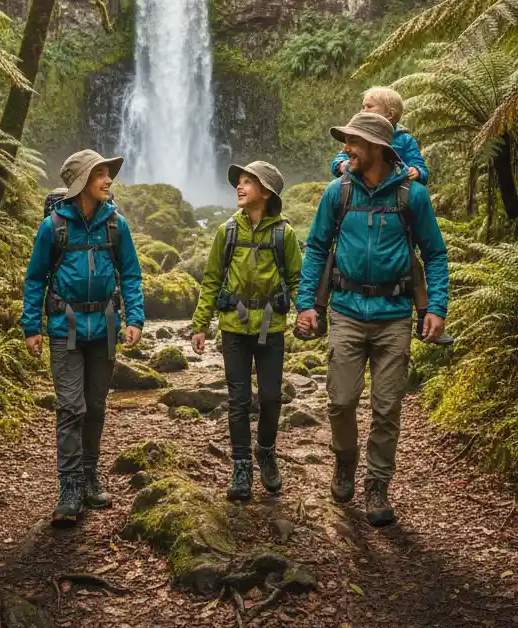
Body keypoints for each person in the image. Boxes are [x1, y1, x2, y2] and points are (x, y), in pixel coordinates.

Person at [297, 112, 448, 527]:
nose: (346, 149)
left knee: (386, 407)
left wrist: (436, 308)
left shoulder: (411, 197)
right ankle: (345, 461)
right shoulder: (337, 192)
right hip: (346, 310)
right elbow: (314, 248)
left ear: (378, 148)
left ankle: (377, 485)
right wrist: (307, 304)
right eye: (346, 141)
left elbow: (434, 253)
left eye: (354, 143)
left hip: (394, 315)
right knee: (341, 401)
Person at [22, 150, 144, 526]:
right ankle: (69, 486)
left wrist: (134, 318)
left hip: (105, 327)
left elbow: (131, 274)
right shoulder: (53, 227)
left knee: (95, 406)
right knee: (71, 407)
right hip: (65, 328)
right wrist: (32, 327)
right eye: (101, 174)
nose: (109, 180)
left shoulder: (115, 224)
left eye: (109, 174)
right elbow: (35, 279)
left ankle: (90, 475)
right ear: (81, 182)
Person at [191, 161, 303, 502]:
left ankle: (265, 450)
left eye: (247, 182)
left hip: (271, 327)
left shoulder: (284, 234)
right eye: (238, 182)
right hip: (234, 328)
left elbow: (298, 279)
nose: (239, 187)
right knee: (238, 401)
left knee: (270, 397)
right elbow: (211, 279)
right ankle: (241, 466)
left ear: (266, 192)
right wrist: (200, 324)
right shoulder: (227, 232)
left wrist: (306, 313)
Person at [331, 86, 428, 184]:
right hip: (360, 188)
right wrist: (343, 165)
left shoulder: (405, 140)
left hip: (393, 190)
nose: (363, 111)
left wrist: (417, 172)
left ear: (390, 114)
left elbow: (421, 169)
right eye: (363, 107)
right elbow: (338, 162)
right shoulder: (358, 136)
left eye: (369, 106)